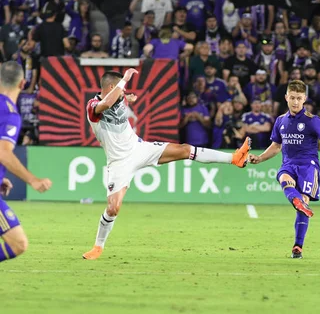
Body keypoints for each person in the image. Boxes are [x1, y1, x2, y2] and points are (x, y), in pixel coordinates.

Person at [82, 69, 252, 260]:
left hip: (139, 149)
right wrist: (126, 80)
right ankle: (98, 246)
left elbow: (119, 98)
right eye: (121, 87)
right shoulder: (93, 105)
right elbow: (106, 103)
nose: (124, 91)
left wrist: (128, 96)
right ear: (112, 87)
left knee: (185, 150)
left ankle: (234, 158)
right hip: (118, 162)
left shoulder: (119, 96)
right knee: (113, 208)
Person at [248, 80, 320, 259]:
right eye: (292, 98)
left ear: (304, 99)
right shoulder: (281, 121)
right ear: (286, 98)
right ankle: (298, 202)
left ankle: (298, 246)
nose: (295, 102)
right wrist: (259, 158)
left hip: (308, 167)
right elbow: (276, 146)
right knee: (283, 178)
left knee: (302, 203)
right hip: (288, 164)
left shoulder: (313, 121)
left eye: (299, 98)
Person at [0, 61, 52, 264]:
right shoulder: (9, 113)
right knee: (18, 243)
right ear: (23, 83)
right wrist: (33, 180)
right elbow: (3, 153)